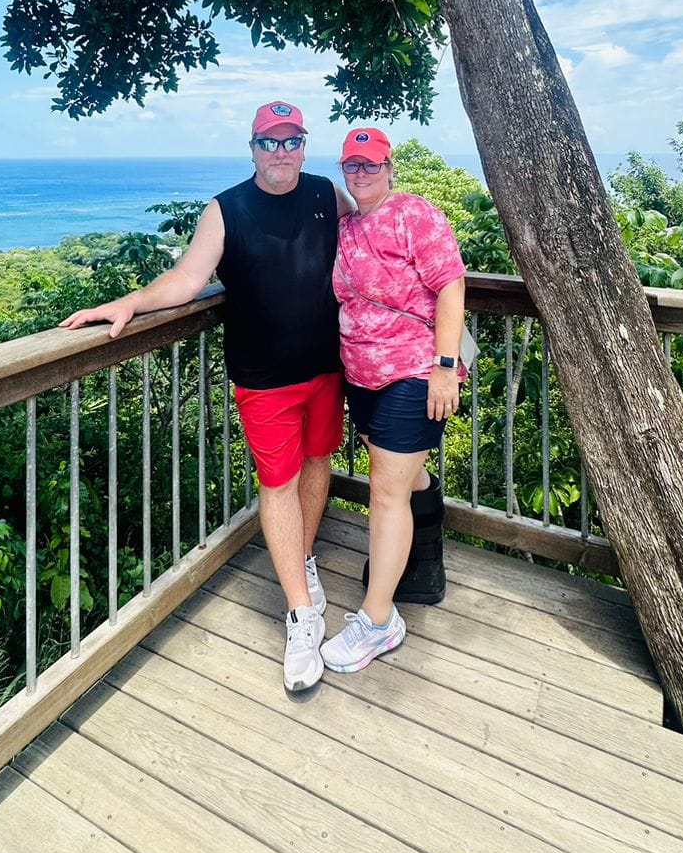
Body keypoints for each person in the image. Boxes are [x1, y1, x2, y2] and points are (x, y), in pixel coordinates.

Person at [60, 101, 353, 693]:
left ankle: (304, 560)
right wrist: (131, 302)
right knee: (277, 484)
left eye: (291, 140)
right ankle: (300, 615)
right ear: (252, 149)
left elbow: (366, 238)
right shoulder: (227, 208)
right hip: (264, 377)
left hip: (327, 366)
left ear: (304, 146)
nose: (281, 152)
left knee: (319, 463)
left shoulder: (326, 192)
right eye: (269, 143)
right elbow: (189, 279)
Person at [321, 127, 466, 674]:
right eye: (352, 166)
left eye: (371, 164)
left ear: (389, 166)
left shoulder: (415, 213)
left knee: (385, 492)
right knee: (402, 481)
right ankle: (421, 558)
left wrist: (445, 367)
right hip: (360, 372)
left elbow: (451, 285)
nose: (361, 173)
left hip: (413, 369)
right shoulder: (347, 224)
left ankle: (378, 621)